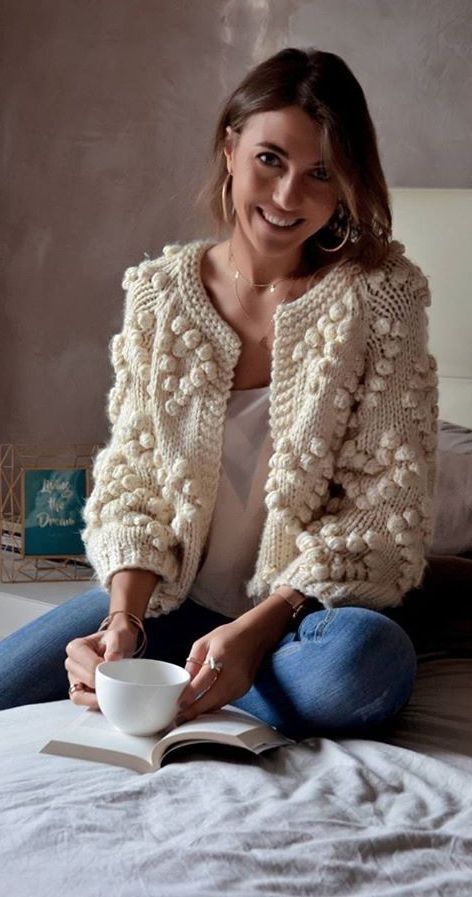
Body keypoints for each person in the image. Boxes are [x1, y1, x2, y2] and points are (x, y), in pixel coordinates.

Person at [0, 48, 438, 739]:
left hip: (304, 620)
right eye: (271, 159)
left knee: (366, 662)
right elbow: (135, 482)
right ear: (231, 149)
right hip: (172, 605)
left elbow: (383, 514)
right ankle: (182, 674)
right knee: (9, 674)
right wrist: (123, 621)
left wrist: (255, 631)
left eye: (320, 173)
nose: (289, 195)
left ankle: (196, 683)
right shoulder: (160, 295)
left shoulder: (382, 297)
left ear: (346, 185)